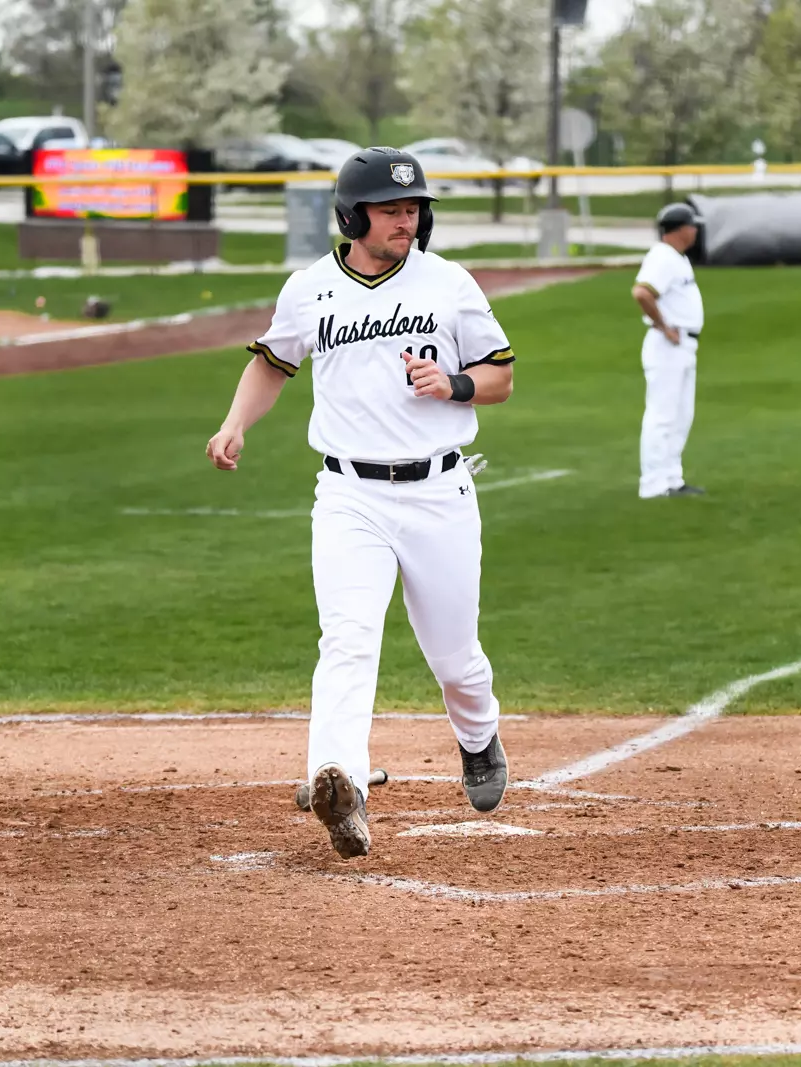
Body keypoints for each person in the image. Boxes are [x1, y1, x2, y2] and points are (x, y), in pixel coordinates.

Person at [205, 147, 515, 860]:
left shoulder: (448, 283)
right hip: (348, 494)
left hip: (439, 492)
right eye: (392, 209)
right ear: (352, 216)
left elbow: (499, 376)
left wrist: (455, 384)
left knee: (455, 656)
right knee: (347, 639)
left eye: (414, 209)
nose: (407, 220)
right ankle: (339, 785)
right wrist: (234, 424)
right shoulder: (311, 288)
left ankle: (477, 738)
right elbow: (271, 362)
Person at [632, 202, 705, 499]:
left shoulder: (676, 258)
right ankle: (653, 483)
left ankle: (672, 478)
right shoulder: (662, 256)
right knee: (663, 415)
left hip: (683, 345)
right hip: (667, 346)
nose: (696, 230)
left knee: (681, 415)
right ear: (682, 229)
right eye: (693, 225)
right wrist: (664, 326)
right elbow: (642, 292)